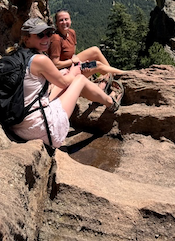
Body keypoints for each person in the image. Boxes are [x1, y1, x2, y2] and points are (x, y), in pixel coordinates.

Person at [11, 18, 123, 148]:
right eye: (40, 35)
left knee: (95, 61)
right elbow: (56, 66)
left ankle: (116, 76)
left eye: (48, 33)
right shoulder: (52, 45)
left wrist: (71, 68)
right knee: (80, 78)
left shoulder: (16, 55)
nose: (46, 38)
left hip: (19, 123)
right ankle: (110, 101)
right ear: (26, 39)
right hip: (40, 127)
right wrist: (73, 67)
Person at [49, 9, 126, 78]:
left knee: (95, 50)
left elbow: (73, 55)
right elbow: (55, 65)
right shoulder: (56, 39)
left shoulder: (71, 33)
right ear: (56, 24)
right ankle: (125, 75)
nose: (64, 22)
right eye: (61, 20)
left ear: (70, 20)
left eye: (66, 19)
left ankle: (112, 76)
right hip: (66, 72)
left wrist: (81, 62)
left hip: (74, 64)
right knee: (97, 65)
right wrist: (72, 61)